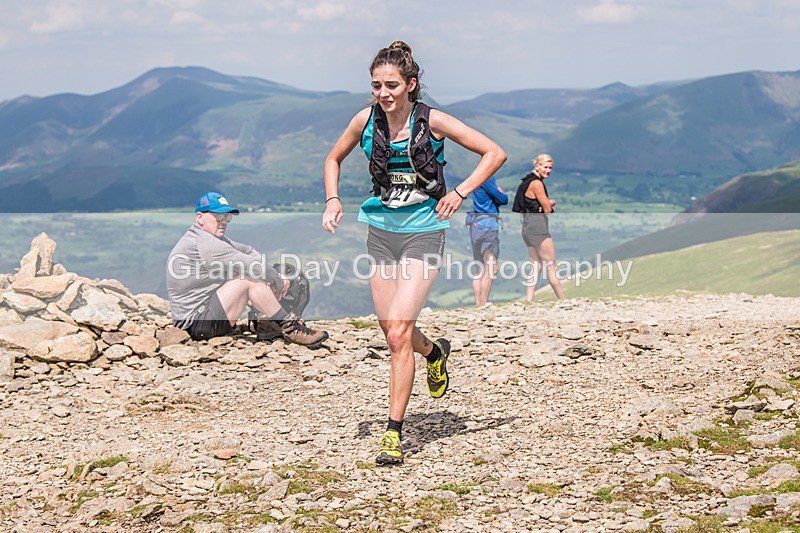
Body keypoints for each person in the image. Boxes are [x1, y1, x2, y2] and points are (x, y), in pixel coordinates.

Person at [321, 41, 506, 465]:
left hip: (424, 233)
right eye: (376, 85)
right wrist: (333, 199)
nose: (383, 93)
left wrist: (460, 192)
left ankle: (393, 433)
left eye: (391, 85)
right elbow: (333, 159)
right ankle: (434, 352)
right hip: (380, 234)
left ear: (411, 84)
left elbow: (494, 153)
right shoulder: (365, 120)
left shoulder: (433, 120)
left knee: (399, 332)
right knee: (393, 334)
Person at [167, 191, 329, 347]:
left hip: (202, 316)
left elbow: (248, 251)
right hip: (196, 324)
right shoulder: (206, 244)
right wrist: (277, 280)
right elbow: (251, 265)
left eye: (227, 216)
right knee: (249, 280)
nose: (224, 221)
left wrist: (271, 275)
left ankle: (270, 323)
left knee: (258, 274)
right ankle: (291, 328)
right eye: (218, 216)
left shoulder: (207, 238)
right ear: (200, 218)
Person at [512, 154, 565, 301]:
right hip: (538, 227)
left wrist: (543, 205)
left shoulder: (526, 182)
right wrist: (550, 203)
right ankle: (562, 300)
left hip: (527, 226)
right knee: (551, 265)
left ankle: (529, 300)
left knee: (536, 264)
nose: (548, 171)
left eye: (550, 168)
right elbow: (547, 208)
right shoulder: (537, 184)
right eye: (545, 167)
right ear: (537, 166)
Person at [468, 176, 508, 306]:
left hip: (476, 224)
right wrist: (500, 193)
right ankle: (484, 303)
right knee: (491, 267)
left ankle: (478, 304)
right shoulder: (486, 178)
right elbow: (503, 199)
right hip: (488, 225)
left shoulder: (476, 177)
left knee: (479, 267)